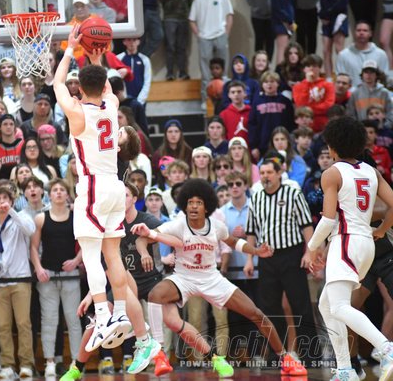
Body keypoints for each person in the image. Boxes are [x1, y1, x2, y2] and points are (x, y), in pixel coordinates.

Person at [53, 25, 159, 373]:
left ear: (80, 88)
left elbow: (57, 84)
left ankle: (102, 316)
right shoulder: (112, 107)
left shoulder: (78, 113)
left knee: (91, 254)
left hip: (93, 187)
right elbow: (108, 88)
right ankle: (120, 315)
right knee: (112, 254)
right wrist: (95, 56)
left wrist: (71, 49)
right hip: (115, 185)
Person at [131, 178, 308, 377]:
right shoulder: (178, 225)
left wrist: (256, 251)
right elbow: (143, 238)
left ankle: (285, 358)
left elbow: (234, 242)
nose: (194, 206)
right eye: (190, 203)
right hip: (184, 278)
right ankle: (159, 353)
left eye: (198, 202)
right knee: (155, 295)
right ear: (184, 206)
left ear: (207, 207)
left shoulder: (217, 226)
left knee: (256, 313)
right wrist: (144, 254)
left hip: (212, 278)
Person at [306, 116, 393, 380]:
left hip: (345, 241)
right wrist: (381, 229)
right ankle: (345, 370)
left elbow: (327, 220)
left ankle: (387, 349)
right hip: (366, 243)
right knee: (327, 305)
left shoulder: (332, 173)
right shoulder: (371, 171)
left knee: (340, 307)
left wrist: (312, 247)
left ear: (332, 146)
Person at [245, 157, 319, 366]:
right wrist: (250, 259)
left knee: (301, 305)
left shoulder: (293, 193)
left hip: (291, 255)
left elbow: (306, 226)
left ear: (279, 174)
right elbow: (251, 231)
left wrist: (309, 253)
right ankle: (277, 355)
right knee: (269, 308)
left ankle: (311, 355)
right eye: (263, 173)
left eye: (269, 172)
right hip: (266, 257)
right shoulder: (256, 198)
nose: (265, 176)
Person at [31, 179, 82, 377]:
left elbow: (86, 243)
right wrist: (38, 268)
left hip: (71, 276)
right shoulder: (41, 218)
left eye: (62, 190)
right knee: (49, 320)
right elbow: (34, 247)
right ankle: (50, 361)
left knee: (73, 319)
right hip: (48, 276)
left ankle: (76, 363)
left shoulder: (76, 217)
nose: (59, 192)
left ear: (67, 195)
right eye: (55, 190)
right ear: (49, 195)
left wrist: (76, 261)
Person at [0, 186, 35, 379]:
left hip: (20, 278)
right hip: (0, 281)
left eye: (5, 199)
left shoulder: (20, 217)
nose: (2, 202)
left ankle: (26, 364)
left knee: (23, 323)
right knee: (3, 326)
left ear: (12, 201)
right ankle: (7, 365)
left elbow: (30, 230)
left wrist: (12, 211)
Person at [189, 0, 233, 110]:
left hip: (220, 35)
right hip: (204, 37)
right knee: (205, 71)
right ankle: (205, 99)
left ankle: (226, 97)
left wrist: (226, 33)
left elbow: (229, 16)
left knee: (223, 69)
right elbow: (191, 20)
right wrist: (198, 35)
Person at [336, 21, 388, 88]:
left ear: (370, 33)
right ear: (354, 33)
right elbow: (340, 79)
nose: (361, 33)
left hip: (375, 92)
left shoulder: (381, 54)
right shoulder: (343, 55)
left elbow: (384, 78)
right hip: (351, 93)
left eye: (365, 30)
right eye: (358, 30)